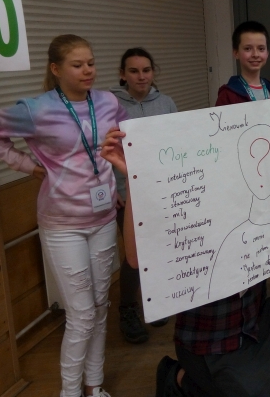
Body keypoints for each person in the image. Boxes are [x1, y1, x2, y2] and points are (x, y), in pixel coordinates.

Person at [101, 21, 270, 397]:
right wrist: (135, 179)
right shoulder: (198, 211)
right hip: (212, 340)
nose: (259, 172)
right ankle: (180, 379)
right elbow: (134, 256)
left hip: (258, 321)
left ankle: (260, 361)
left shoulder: (264, 207)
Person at [0, 34, 127, 397]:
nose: (87, 70)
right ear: (56, 69)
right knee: (82, 314)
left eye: (91, 63)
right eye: (77, 65)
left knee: (100, 307)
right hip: (62, 225)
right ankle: (69, 393)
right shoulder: (35, 110)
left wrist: (116, 182)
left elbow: (125, 140)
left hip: (103, 217)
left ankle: (94, 387)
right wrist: (27, 165)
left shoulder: (107, 101)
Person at [110, 47, 178, 343]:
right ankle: (127, 309)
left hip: (161, 192)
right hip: (126, 194)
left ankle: (156, 300)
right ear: (122, 74)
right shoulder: (109, 105)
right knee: (134, 256)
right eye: (134, 71)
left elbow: (177, 144)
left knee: (161, 248)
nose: (141, 76)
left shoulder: (166, 103)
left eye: (146, 70)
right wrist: (113, 188)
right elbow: (102, 151)